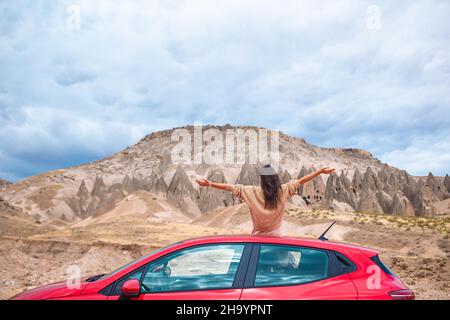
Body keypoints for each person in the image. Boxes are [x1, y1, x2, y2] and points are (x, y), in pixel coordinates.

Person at [195, 164, 335, 236]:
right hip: (278, 238)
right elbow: (302, 181)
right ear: (275, 178)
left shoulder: (251, 192)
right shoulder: (283, 190)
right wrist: (320, 172)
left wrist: (210, 184)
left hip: (257, 239)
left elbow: (230, 187)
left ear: (261, 179)